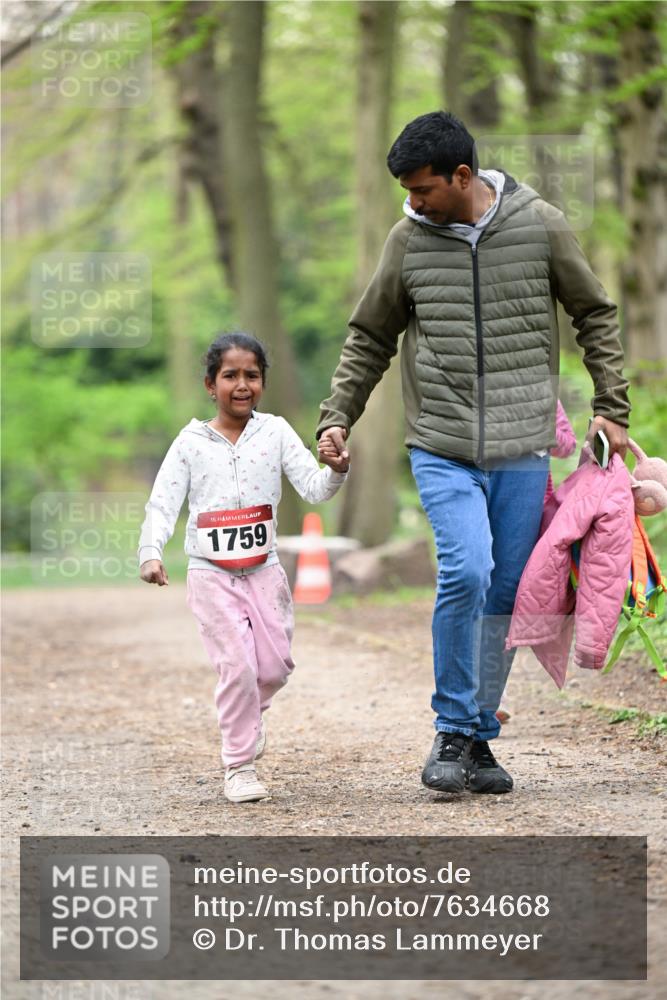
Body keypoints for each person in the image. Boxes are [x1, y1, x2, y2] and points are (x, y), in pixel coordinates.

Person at [317, 111, 630, 795]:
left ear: (462, 176)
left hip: (522, 446)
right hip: (442, 441)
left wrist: (611, 403)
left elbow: (594, 313)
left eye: (422, 189)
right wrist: (335, 417)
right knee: (467, 569)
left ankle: (479, 739)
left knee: (509, 592)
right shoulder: (406, 240)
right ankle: (452, 728)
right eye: (404, 190)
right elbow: (370, 336)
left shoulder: (539, 223)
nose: (412, 201)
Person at [139, 332, 348, 804]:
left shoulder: (274, 433)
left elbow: (314, 489)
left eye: (251, 375)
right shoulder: (190, 443)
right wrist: (150, 552)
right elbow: (163, 502)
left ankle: (247, 718)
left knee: (273, 667)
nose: (241, 384)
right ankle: (239, 765)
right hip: (211, 574)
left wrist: (337, 469)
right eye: (230, 375)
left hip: (264, 571)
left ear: (263, 383)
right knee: (237, 667)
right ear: (210, 384)